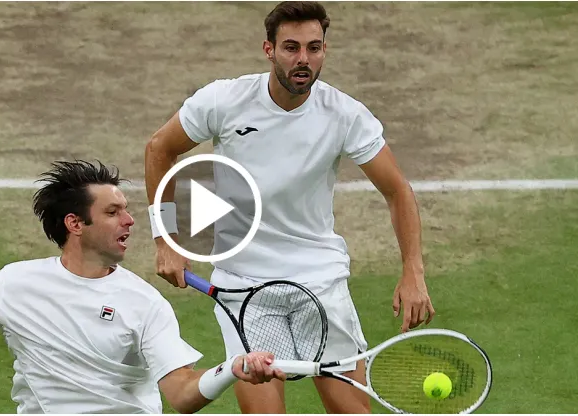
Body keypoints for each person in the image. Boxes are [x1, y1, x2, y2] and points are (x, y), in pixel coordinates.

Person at [143, 1, 436, 413]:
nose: (304, 59)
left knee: (352, 412)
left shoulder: (345, 115)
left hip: (319, 281)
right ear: (269, 50)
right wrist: (165, 239)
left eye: (314, 48)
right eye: (292, 47)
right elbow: (160, 148)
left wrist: (413, 271)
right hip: (244, 287)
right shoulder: (224, 101)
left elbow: (397, 191)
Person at [0, 160, 286, 414]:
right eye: (112, 212)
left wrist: (231, 369)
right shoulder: (13, 284)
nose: (129, 221)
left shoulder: (144, 303)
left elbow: (182, 394)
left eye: (125, 210)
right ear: (75, 224)